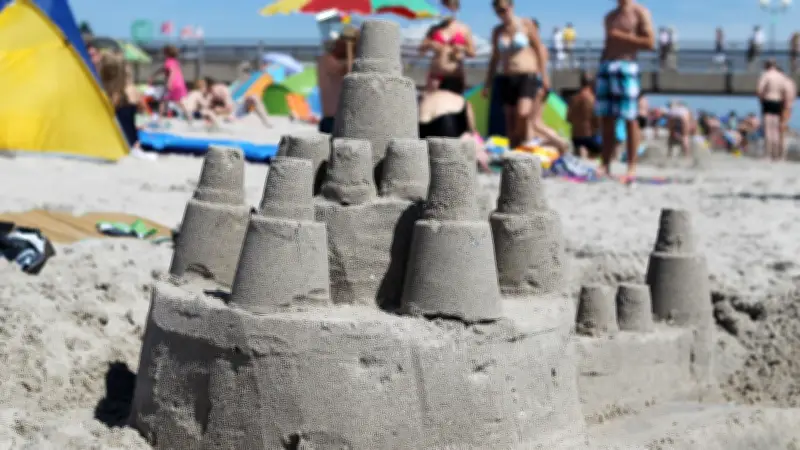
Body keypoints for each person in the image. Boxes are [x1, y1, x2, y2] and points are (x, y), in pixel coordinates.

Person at [595, 0, 654, 179]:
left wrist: (622, 36)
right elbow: (607, 45)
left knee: (630, 118)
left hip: (627, 64)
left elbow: (650, 42)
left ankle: (631, 166)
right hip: (607, 66)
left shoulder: (640, 12)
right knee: (606, 118)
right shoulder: (610, 16)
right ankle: (605, 164)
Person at [483, 0, 549, 149]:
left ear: (511, 7)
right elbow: (494, 58)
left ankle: (526, 141)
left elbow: (539, 50)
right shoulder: (497, 31)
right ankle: (514, 151)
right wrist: (487, 83)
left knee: (523, 113)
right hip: (507, 77)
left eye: (503, 9)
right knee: (509, 119)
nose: (501, 13)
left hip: (527, 75)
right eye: (498, 11)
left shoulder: (526, 24)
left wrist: (544, 76)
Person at [418, 87, 490, 172]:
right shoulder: (462, 100)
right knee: (472, 140)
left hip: (423, 137)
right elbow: (472, 130)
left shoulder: (425, 96)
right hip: (448, 138)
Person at [417, 0, 476, 94]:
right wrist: (430, 44)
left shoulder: (464, 29)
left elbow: (472, 53)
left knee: (454, 107)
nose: (447, 9)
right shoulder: (434, 29)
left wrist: (462, 48)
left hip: (455, 77)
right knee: (434, 106)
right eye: (444, 6)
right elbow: (420, 50)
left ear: (456, 8)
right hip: (436, 76)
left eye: (450, 6)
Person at [317, 27, 359, 134]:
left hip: (339, 117)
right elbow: (350, 74)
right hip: (332, 118)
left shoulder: (334, 62)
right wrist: (351, 49)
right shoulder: (326, 60)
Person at [757, 60, 789, 160]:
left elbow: (759, 89)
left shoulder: (766, 75)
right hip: (778, 102)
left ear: (767, 65)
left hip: (768, 100)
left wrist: (762, 99)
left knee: (768, 128)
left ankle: (768, 154)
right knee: (776, 129)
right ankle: (776, 154)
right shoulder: (782, 77)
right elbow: (786, 91)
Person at [149, 46, 189, 122]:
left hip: (173, 84)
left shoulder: (168, 61)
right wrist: (154, 75)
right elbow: (163, 69)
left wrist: (169, 82)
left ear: (166, 53)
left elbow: (171, 71)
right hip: (179, 84)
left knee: (163, 101)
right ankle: (188, 116)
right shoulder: (174, 61)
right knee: (177, 101)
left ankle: (159, 120)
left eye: (164, 52)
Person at [567, 73, 600, 159]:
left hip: (575, 137)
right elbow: (597, 120)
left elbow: (568, 118)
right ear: (592, 83)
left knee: (580, 154)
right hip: (590, 136)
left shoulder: (574, 98)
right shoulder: (592, 99)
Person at [780, 69, 796, 159]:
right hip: (789, 108)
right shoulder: (791, 83)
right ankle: (783, 154)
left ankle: (781, 154)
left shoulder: (784, 83)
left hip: (783, 108)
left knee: (781, 132)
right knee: (783, 131)